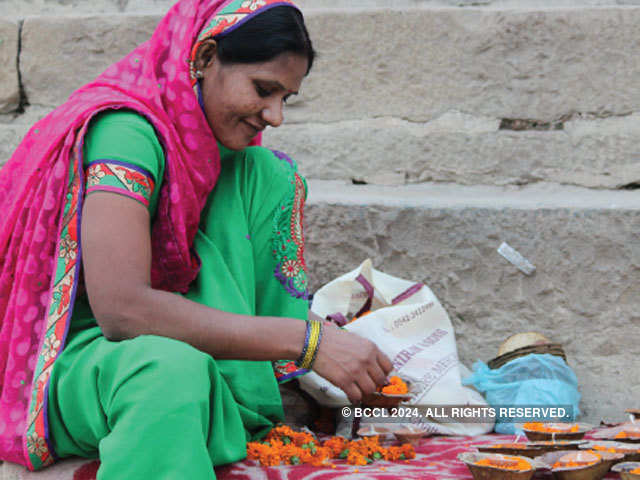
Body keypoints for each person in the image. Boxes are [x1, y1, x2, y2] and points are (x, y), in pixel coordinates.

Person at [0, 0, 393, 478]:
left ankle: (235, 404)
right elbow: (121, 311)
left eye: (285, 98)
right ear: (206, 58)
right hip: (84, 362)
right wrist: (307, 340)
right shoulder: (128, 132)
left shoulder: (256, 174)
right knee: (168, 374)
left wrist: (333, 355)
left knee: (272, 171)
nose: (274, 116)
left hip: (204, 364)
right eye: (264, 90)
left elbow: (273, 314)